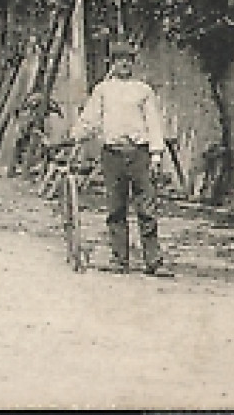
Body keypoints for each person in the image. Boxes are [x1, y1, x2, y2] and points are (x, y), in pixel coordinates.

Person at [73, 39, 173, 277]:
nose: (124, 64)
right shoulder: (103, 90)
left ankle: (154, 261)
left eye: (128, 60)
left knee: (147, 208)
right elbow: (91, 119)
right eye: (119, 60)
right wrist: (77, 135)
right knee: (116, 208)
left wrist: (157, 154)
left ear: (133, 63)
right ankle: (120, 260)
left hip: (139, 154)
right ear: (112, 63)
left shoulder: (143, 90)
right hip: (112, 155)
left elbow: (154, 123)